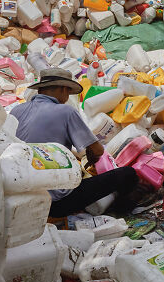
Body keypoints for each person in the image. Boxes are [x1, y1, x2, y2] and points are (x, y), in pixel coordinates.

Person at [10, 68, 139, 217]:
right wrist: (91, 157)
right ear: (64, 89)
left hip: (18, 197)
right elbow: (98, 151)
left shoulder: (16, 111)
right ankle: (121, 214)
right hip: (53, 204)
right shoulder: (66, 111)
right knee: (128, 174)